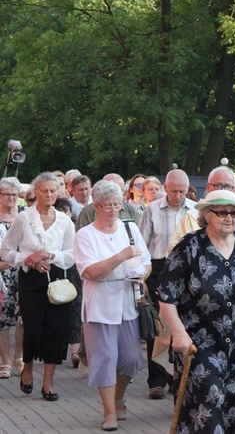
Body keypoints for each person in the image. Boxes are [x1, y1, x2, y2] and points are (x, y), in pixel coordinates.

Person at [158, 191, 235, 433]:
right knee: (208, 408)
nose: (229, 217)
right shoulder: (190, 246)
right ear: (206, 214)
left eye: (234, 213)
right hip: (199, 344)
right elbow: (165, 295)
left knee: (229, 413)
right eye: (222, 212)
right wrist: (178, 333)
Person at [74, 180, 151, 431]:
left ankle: (119, 398)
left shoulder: (129, 228)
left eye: (117, 204)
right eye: (108, 205)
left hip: (127, 300)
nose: (114, 210)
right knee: (105, 358)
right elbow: (91, 272)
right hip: (99, 305)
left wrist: (142, 275)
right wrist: (121, 256)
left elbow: (146, 262)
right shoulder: (85, 235)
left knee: (130, 358)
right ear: (96, 206)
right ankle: (109, 413)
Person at [0, 171, 75, 401]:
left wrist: (48, 254)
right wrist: (29, 259)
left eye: (53, 190)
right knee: (32, 330)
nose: (49, 194)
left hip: (58, 280)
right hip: (31, 281)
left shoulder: (64, 220)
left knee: (56, 330)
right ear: (35, 193)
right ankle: (28, 370)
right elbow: (5, 251)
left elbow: (72, 255)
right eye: (44, 191)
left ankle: (48, 384)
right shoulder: (24, 218)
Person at [138, 169, 196, 399]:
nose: (178, 196)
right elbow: (143, 247)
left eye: (182, 191)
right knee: (160, 327)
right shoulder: (152, 209)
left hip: (188, 270)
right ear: (165, 187)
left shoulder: (195, 211)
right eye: (173, 191)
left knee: (183, 324)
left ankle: (177, 378)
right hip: (160, 268)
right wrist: (142, 278)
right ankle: (157, 380)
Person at [0, 177, 25, 379]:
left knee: (22, 317)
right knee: (2, 319)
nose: (11, 198)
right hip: (2, 274)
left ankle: (19, 357)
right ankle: (5, 362)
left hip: (22, 272)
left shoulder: (24, 217)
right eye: (6, 194)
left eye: (14, 194)